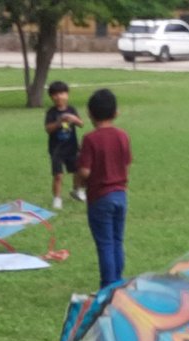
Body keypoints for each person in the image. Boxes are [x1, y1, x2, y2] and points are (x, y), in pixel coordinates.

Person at [76, 89, 131, 289]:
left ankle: (108, 286)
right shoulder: (123, 136)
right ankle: (118, 281)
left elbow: (84, 171)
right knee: (117, 240)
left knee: (105, 243)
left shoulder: (91, 139)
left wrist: (78, 185)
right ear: (116, 112)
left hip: (100, 197)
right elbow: (125, 163)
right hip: (120, 195)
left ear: (90, 114)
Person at [44, 81, 85, 210]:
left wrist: (74, 119)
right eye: (55, 94)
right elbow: (48, 129)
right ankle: (57, 198)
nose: (59, 97)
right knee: (58, 175)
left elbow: (81, 124)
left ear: (67, 95)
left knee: (78, 171)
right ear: (51, 97)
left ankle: (76, 190)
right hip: (56, 149)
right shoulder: (51, 112)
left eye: (61, 93)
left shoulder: (72, 109)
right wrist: (59, 121)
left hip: (72, 147)